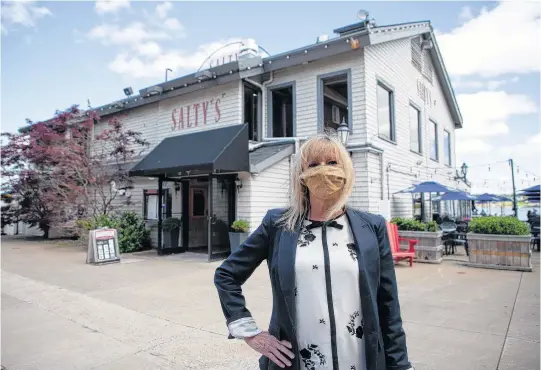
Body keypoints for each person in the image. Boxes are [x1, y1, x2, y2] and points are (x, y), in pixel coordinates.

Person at [214, 134, 413, 370]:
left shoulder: (372, 227)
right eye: (313, 164)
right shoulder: (277, 225)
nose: (324, 170)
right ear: (302, 175)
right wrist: (249, 332)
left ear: (346, 171)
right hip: (295, 362)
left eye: (332, 163)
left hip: (361, 361)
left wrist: (400, 365)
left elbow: (388, 304)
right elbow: (227, 274)